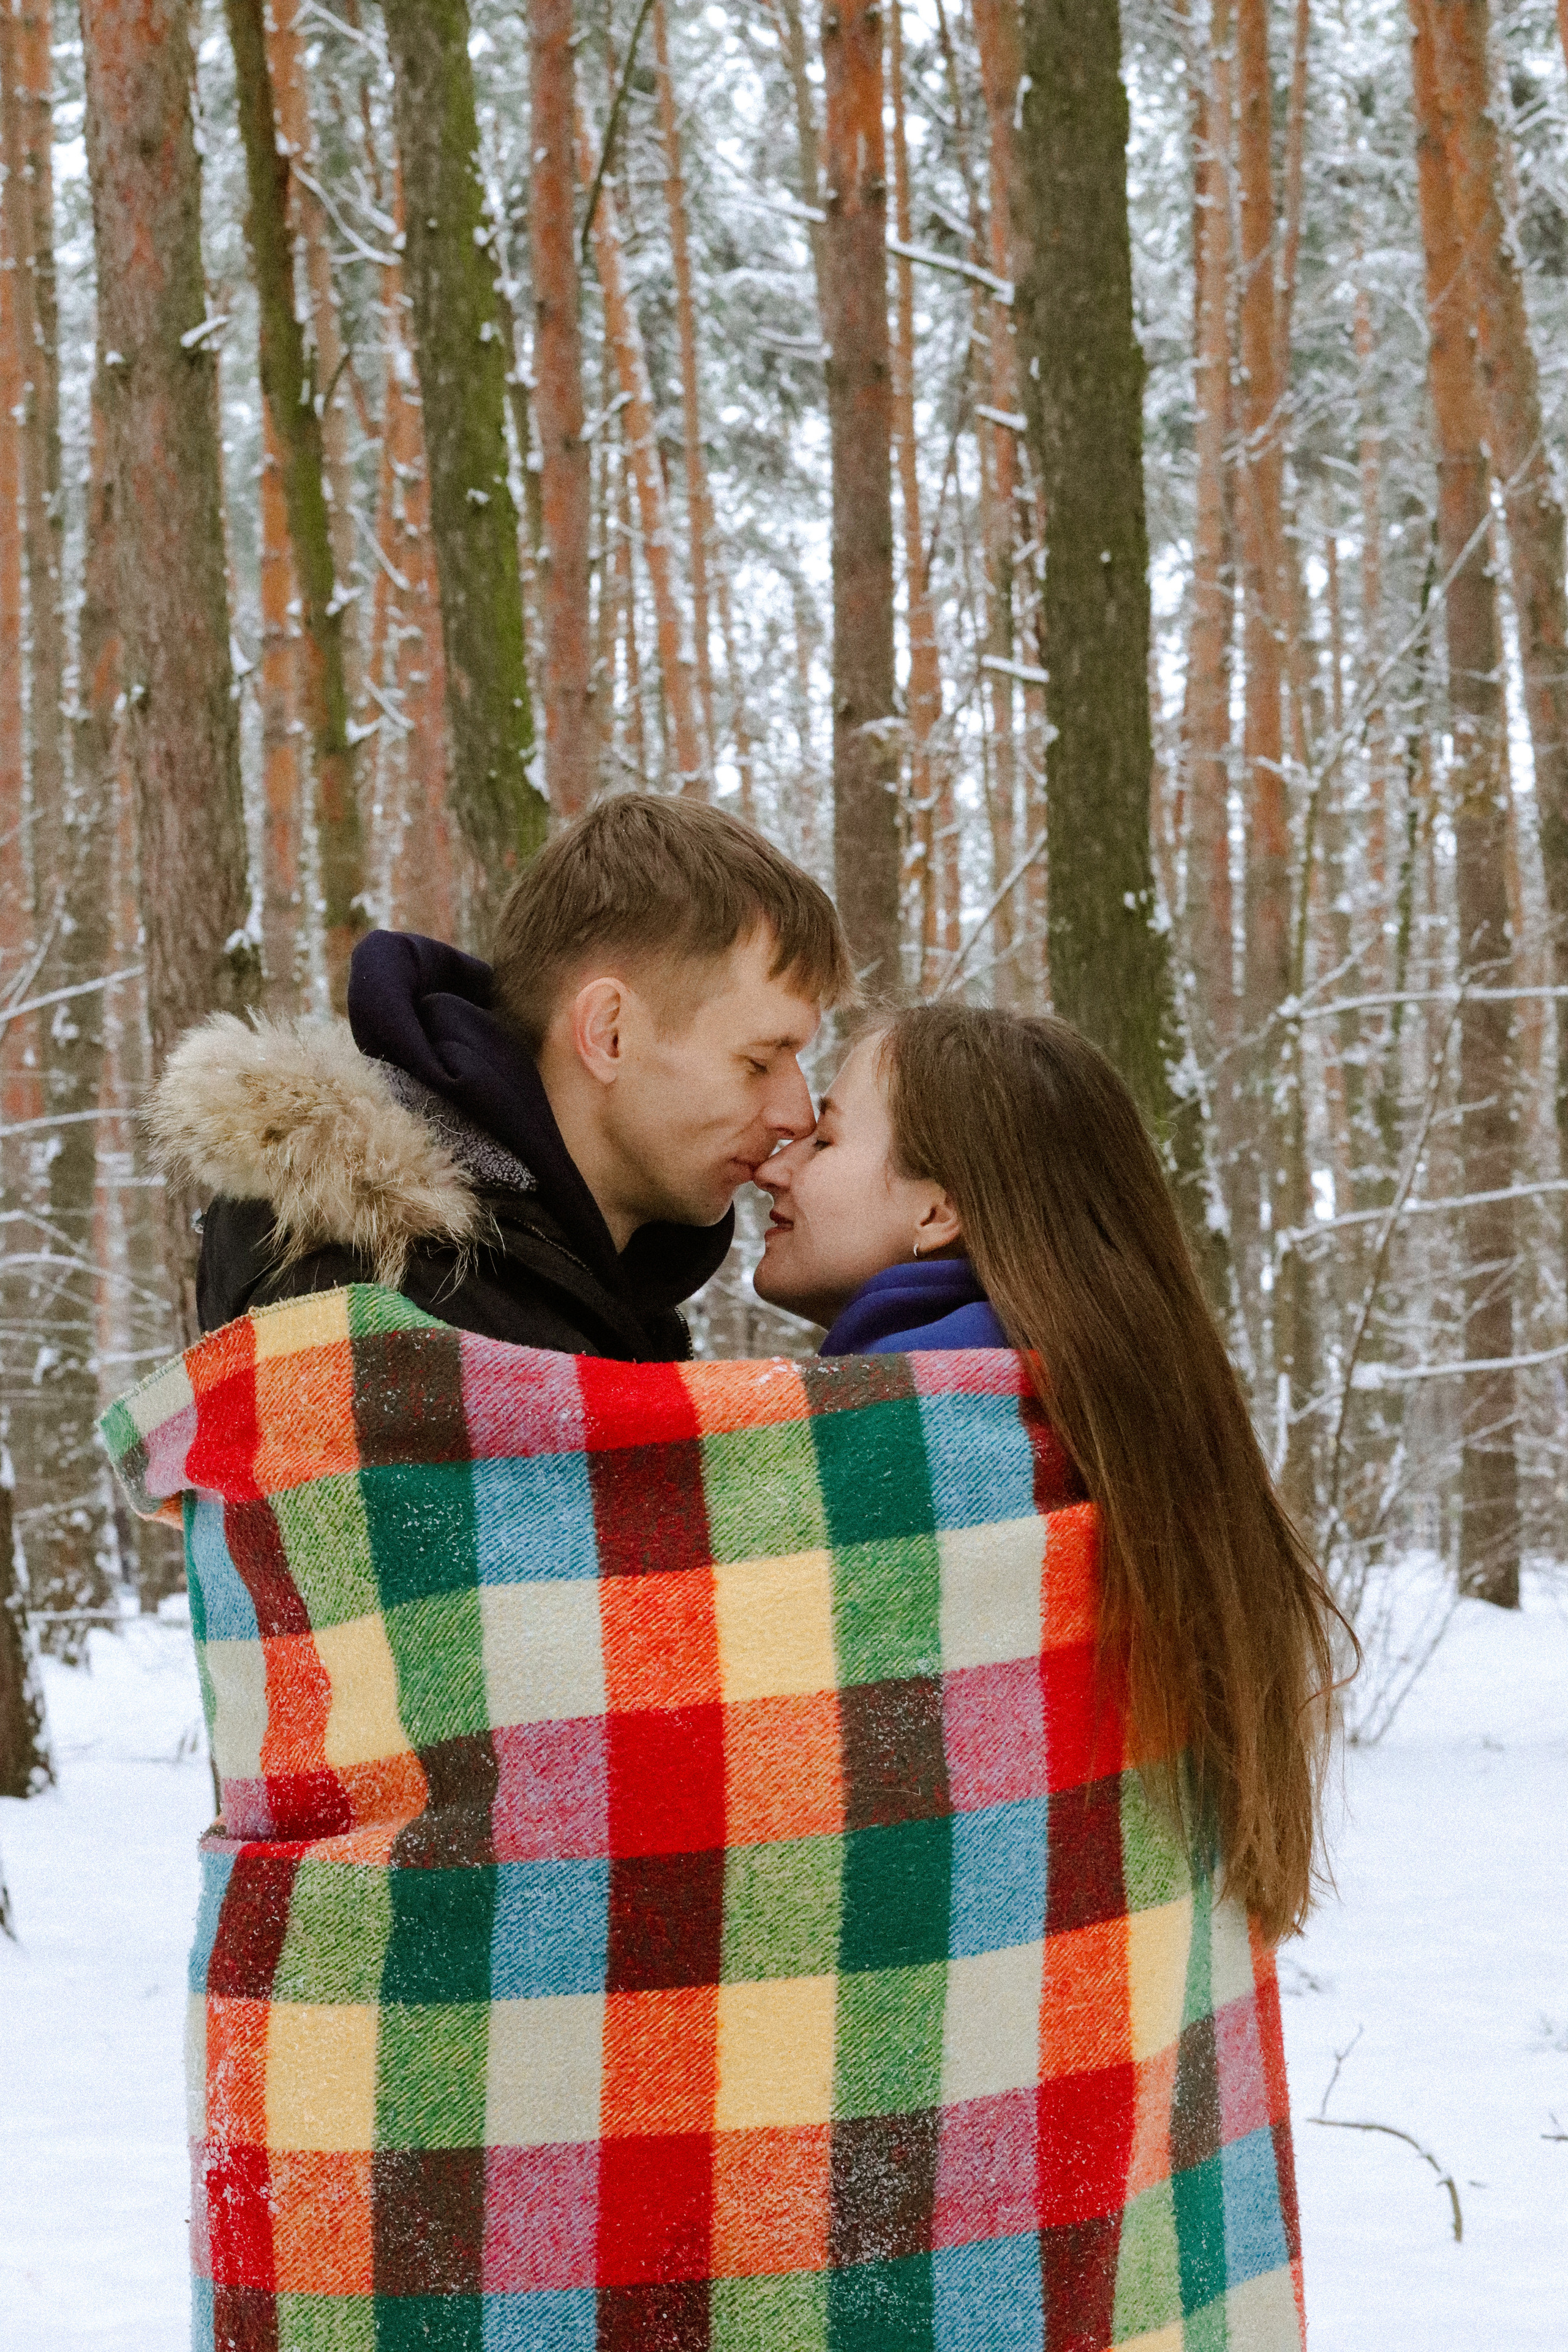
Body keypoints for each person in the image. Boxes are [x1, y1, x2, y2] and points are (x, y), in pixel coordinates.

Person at [755, 1000, 1348, 1941]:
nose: (775, 1166)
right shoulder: (1119, 1413)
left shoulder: (900, 1436)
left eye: (825, 1141)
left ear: (938, 1210)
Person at [153, 794, 854, 1359]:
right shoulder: (383, 1302)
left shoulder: (563, 1292)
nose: (796, 1114)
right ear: (608, 1032)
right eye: (758, 1062)